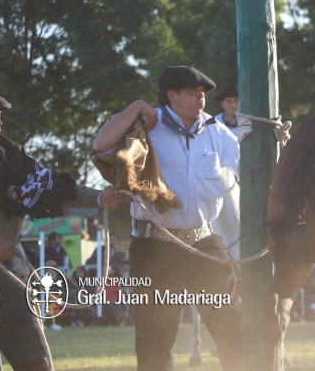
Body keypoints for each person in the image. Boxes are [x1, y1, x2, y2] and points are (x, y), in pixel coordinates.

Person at [92, 66, 241, 371]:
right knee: (155, 340)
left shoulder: (218, 132)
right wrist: (136, 107)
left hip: (204, 242)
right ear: (171, 95)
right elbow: (100, 145)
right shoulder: (145, 127)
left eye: (202, 93)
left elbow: (239, 172)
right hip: (154, 247)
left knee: (232, 329)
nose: (201, 98)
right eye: (192, 92)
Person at [0, 87, 127, 369]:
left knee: (33, 351)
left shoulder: (12, 158)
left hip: (4, 269)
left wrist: (100, 197)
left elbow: (56, 187)